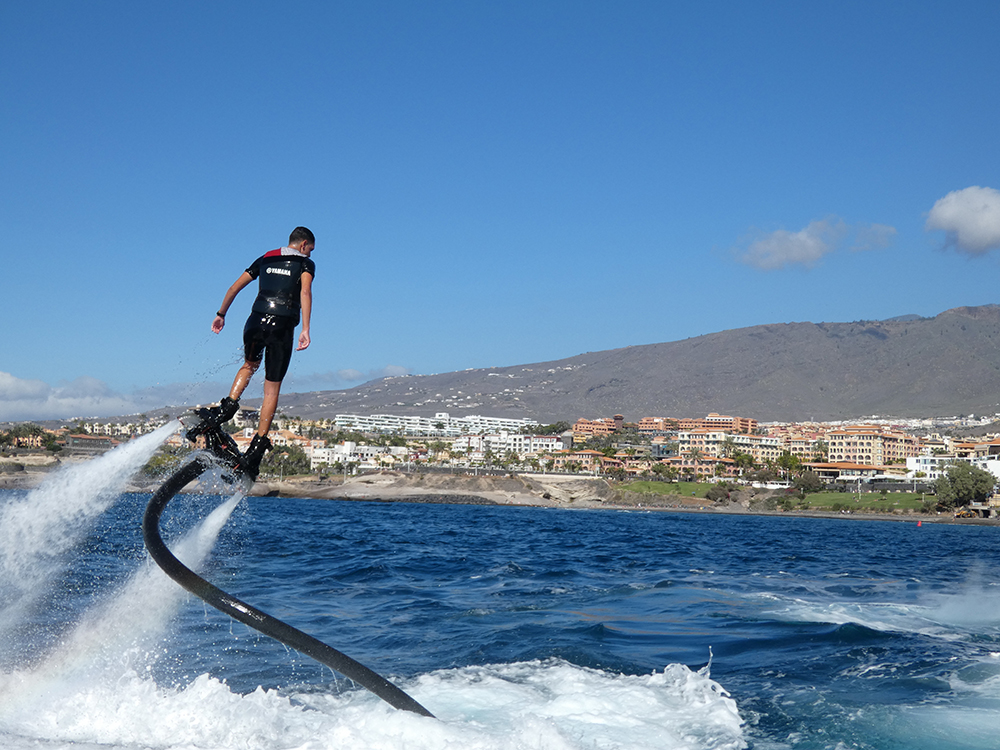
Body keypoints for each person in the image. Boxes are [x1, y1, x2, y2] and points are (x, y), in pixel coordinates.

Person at [198, 226, 315, 478]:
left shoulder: (265, 258)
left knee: (249, 365)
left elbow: (234, 287)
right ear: (304, 244)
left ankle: (225, 409)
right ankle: (257, 446)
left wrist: (221, 314)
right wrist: (305, 328)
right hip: (281, 326)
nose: (309, 254)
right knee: (271, 388)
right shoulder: (305, 264)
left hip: (255, 322)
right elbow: (305, 292)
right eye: (310, 250)